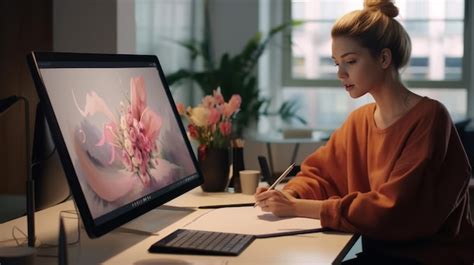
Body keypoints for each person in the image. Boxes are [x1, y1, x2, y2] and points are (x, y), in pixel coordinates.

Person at [255, 0, 474, 264]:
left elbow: (393, 210)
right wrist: (291, 194)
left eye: (350, 61)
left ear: (383, 58)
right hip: (380, 253)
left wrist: (297, 207)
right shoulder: (359, 121)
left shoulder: (430, 117)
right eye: (337, 63)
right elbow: (321, 175)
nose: (341, 73)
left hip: (429, 259)